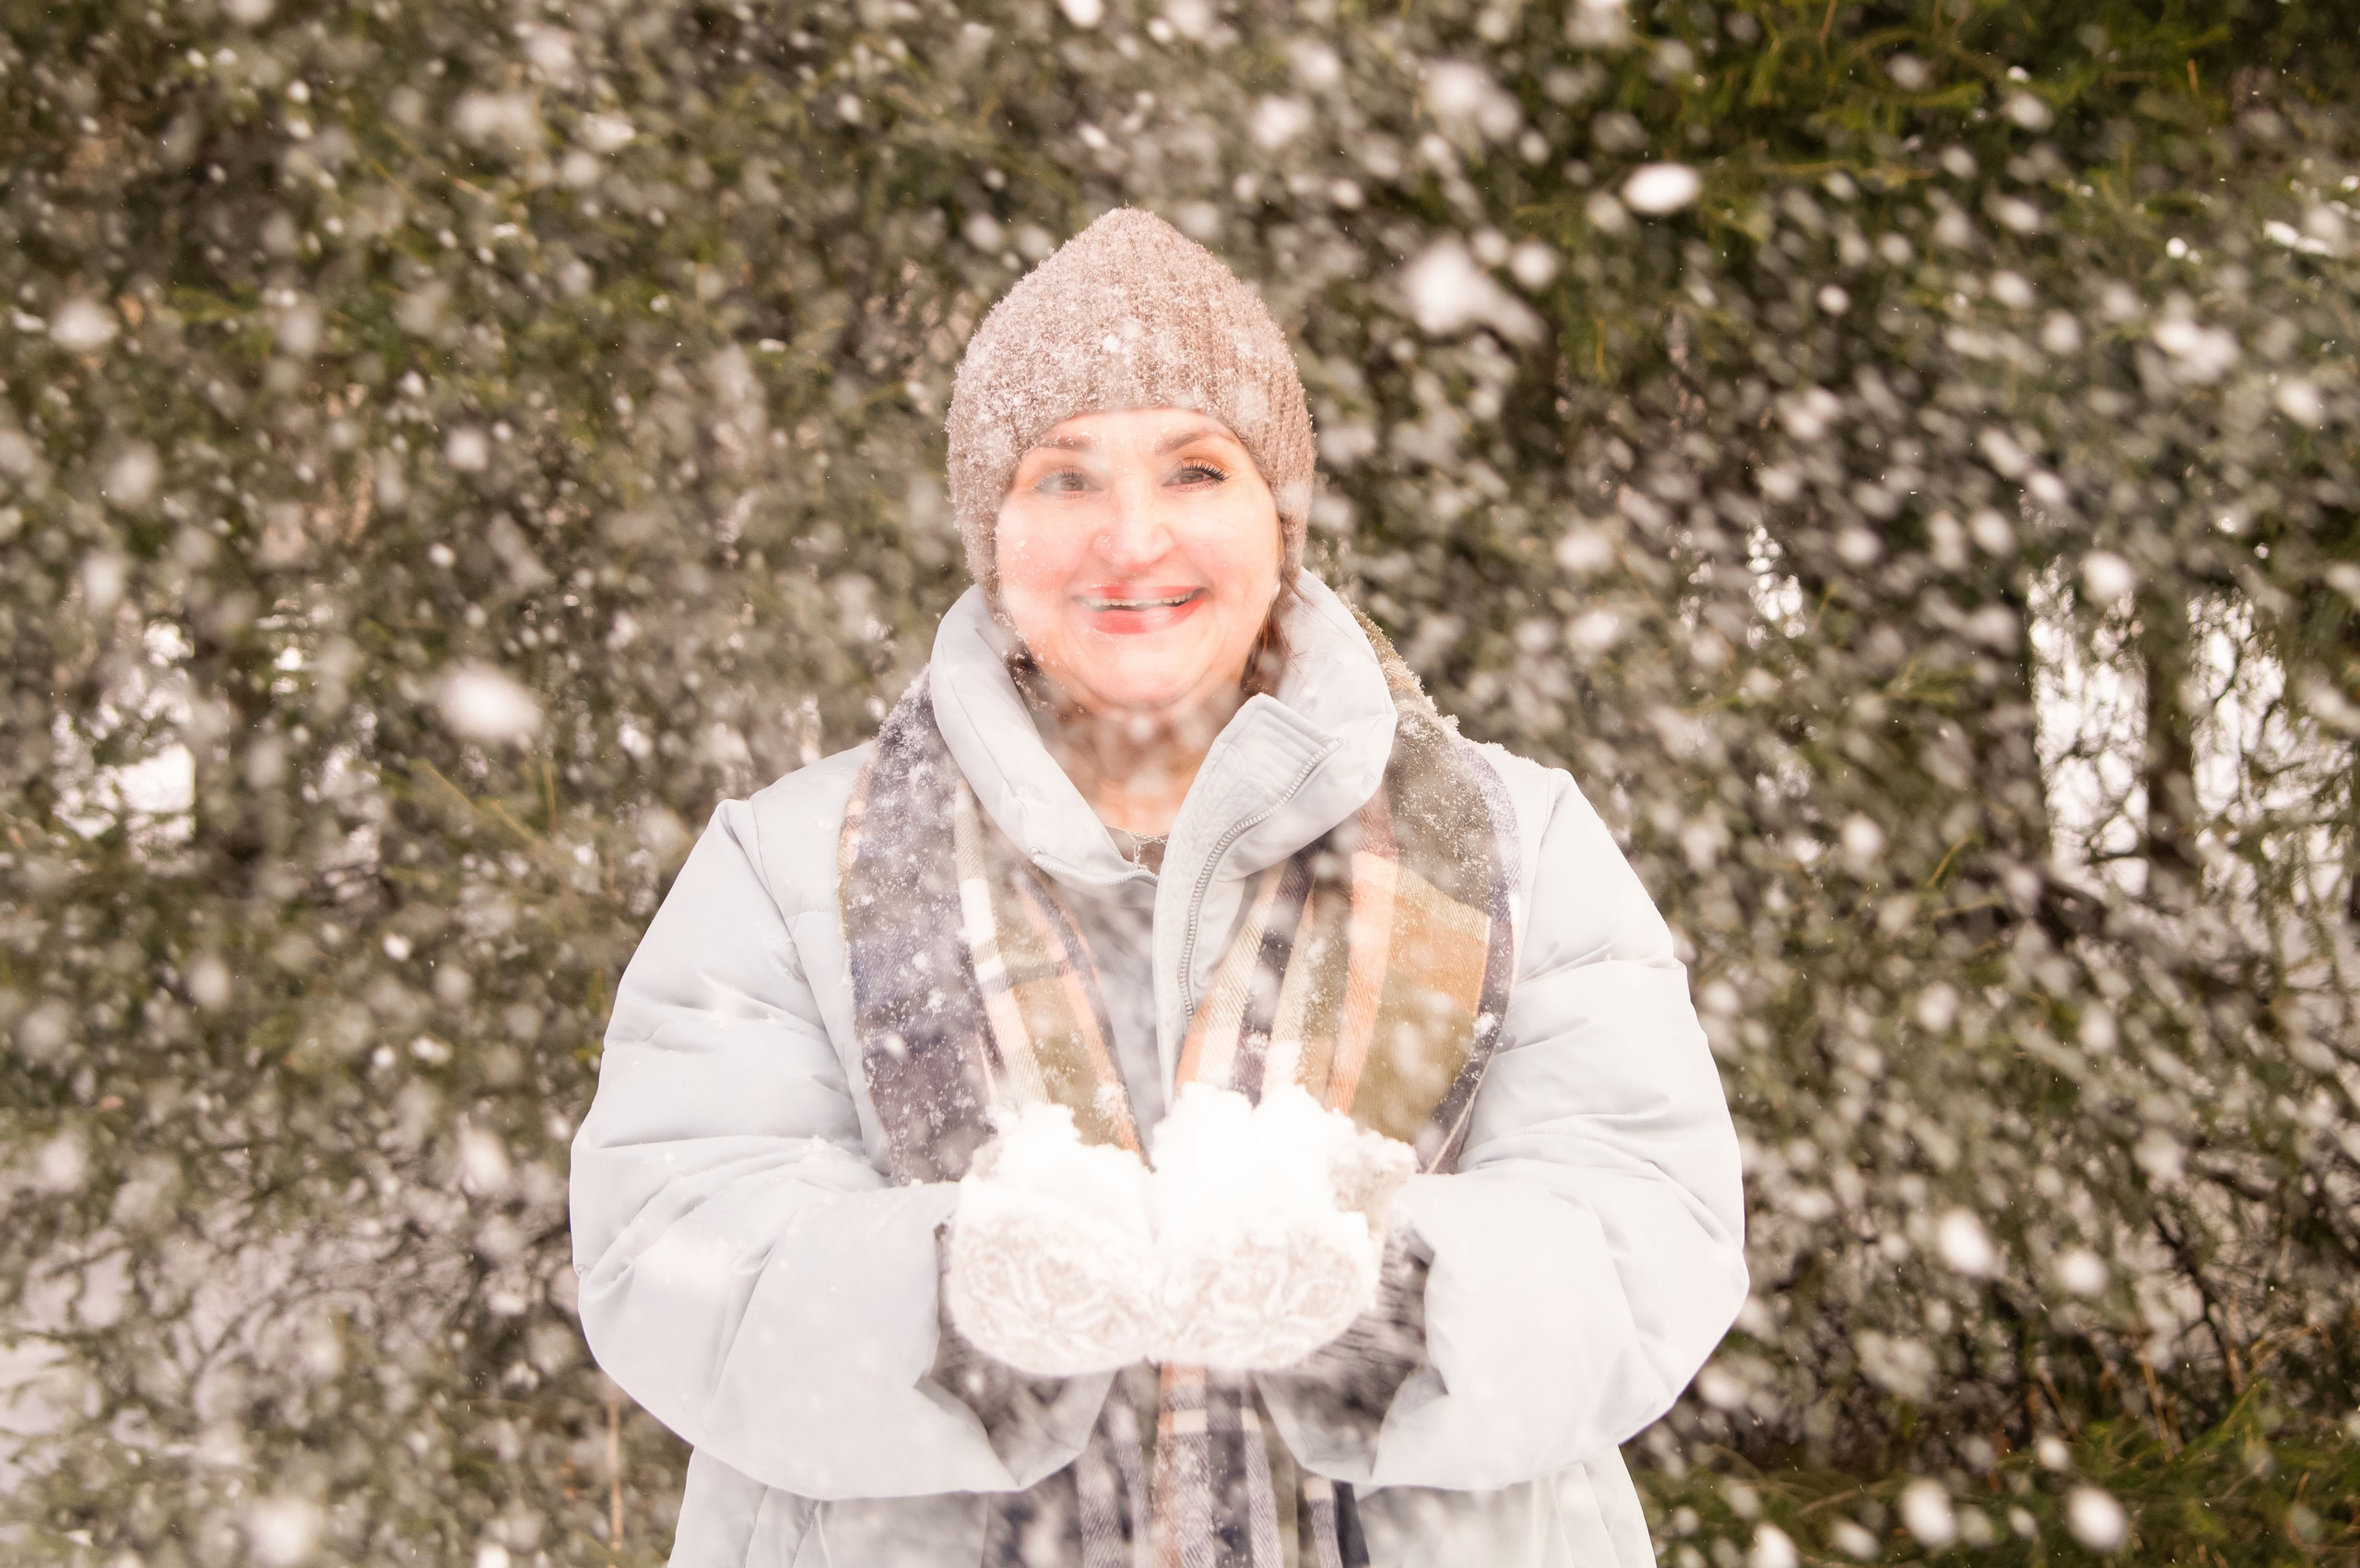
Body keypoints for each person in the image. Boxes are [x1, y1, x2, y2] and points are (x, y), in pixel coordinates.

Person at [569, 208, 1748, 1568]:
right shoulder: (787, 867)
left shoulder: (1516, 840)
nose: (1131, 539)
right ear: (991, 532)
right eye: (1064, 478)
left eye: (1196, 469)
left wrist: (1386, 1291)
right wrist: (961, 1294)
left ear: (1280, 515)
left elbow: (1649, 1229)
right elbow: (676, 1255)